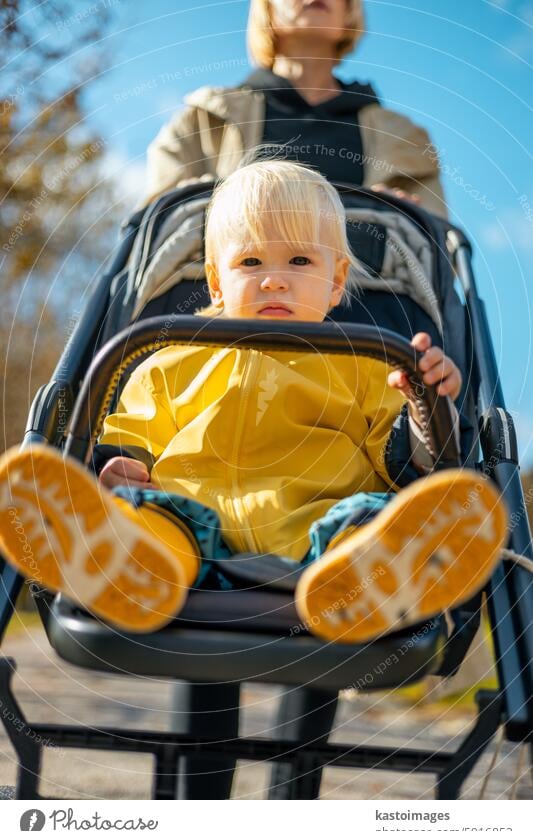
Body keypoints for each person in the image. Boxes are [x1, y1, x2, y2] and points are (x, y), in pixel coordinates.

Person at [0, 161, 506, 647]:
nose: (274, 279)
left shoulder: (370, 366)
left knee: (368, 518)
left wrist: (424, 402)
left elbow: (408, 462)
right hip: (188, 522)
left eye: (300, 261)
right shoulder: (167, 358)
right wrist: (118, 468)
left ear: (336, 281)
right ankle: (130, 573)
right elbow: (131, 434)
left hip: (320, 531)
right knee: (143, 514)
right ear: (217, 282)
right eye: (250, 262)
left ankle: (367, 583)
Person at [145, 0, 446, 217]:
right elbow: (158, 225)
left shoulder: (405, 139)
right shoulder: (204, 119)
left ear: (349, 11)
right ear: (267, 8)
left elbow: (436, 254)